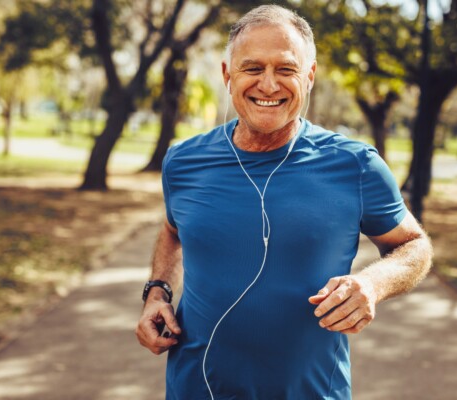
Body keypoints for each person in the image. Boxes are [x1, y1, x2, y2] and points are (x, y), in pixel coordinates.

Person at [136, 5, 433, 399]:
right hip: (194, 387)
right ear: (228, 75)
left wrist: (371, 284)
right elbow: (174, 230)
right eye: (253, 68)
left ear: (309, 77)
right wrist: (157, 293)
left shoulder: (356, 165)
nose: (269, 85)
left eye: (286, 69)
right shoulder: (184, 161)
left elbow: (414, 245)